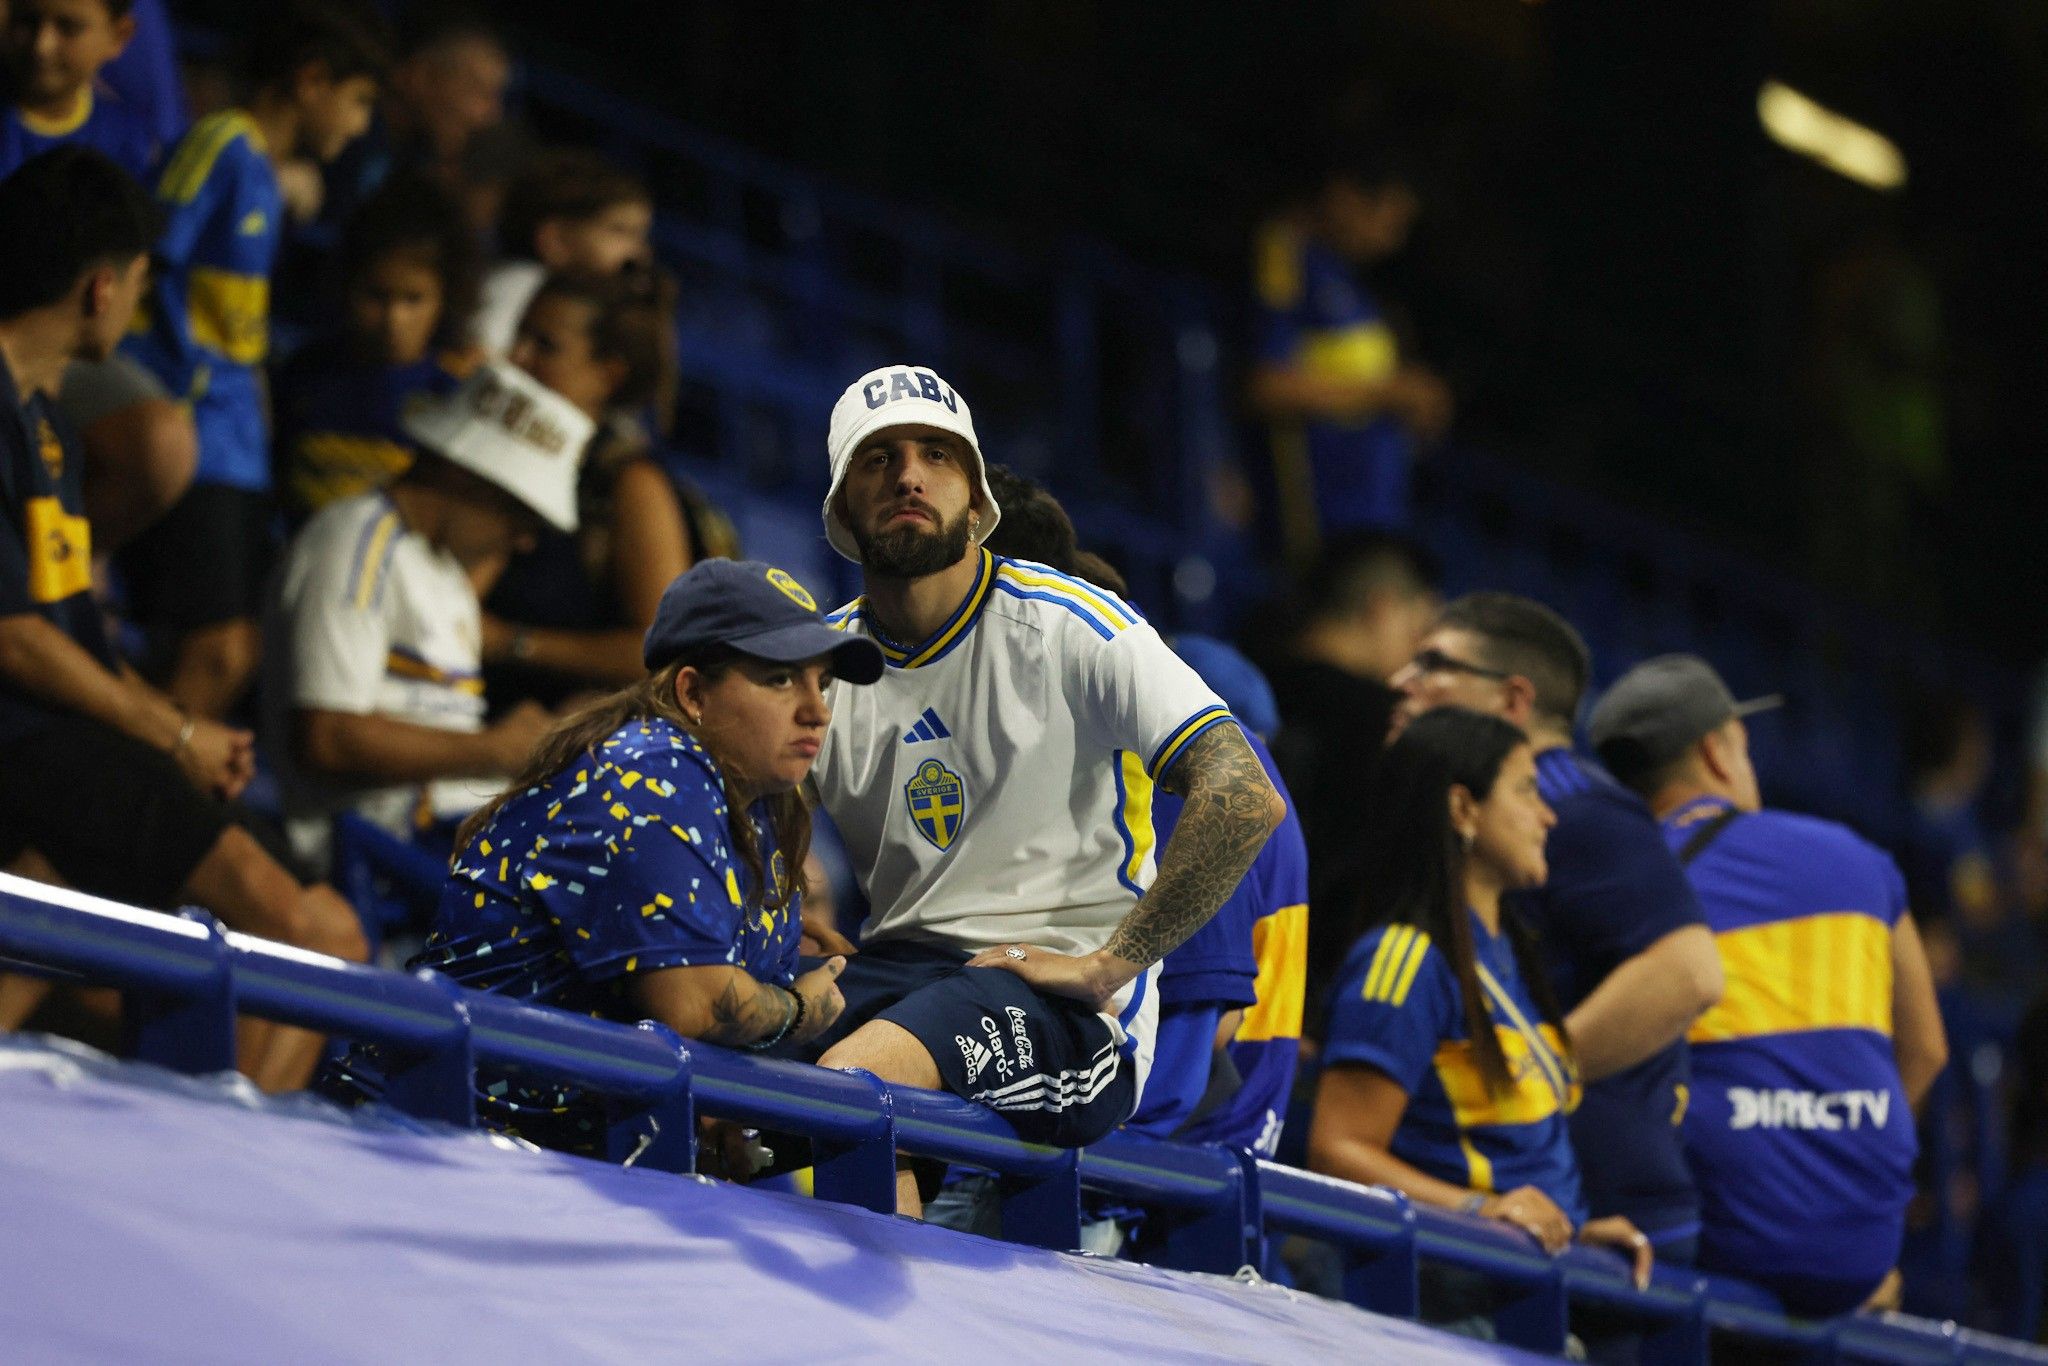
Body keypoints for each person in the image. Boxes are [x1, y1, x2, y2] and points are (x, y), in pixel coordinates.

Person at [802, 363, 1287, 1216]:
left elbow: (1245, 794)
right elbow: (766, 830)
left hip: (1063, 1011)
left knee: (851, 1085)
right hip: (897, 974)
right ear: (842, 506)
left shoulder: (1070, 624)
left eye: (936, 455)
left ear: (978, 497)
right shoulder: (818, 665)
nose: (909, 474)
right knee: (728, 1073)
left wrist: (1111, 964)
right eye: (878, 459)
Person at [0, 146, 366, 1093]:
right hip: (28, 748)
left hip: (61, 752)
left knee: (310, 937)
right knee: (307, 940)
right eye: (142, 282)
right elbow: (11, 636)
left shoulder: (44, 426)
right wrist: (178, 729)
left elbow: (71, 631)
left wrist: (185, 742)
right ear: (100, 287)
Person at [327, 558, 884, 1156]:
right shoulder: (653, 772)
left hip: (550, 1157)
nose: (816, 709)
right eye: (780, 680)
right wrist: (799, 1008)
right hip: (427, 1138)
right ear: (693, 692)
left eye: (820, 683)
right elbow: (693, 1004)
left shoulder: (757, 802)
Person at [1590, 654, 1947, 1315]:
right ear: (1720, 752)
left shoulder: (1621, 877)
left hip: (1704, 1250)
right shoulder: (1862, 860)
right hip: (1860, 1257)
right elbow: (1927, 1051)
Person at [1390, 592, 1723, 1264]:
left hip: (1611, 1222)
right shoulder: (1483, 819)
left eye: (1435, 664)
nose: (1403, 681)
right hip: (1543, 1215)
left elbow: (1690, 973)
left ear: (1514, 702)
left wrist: (1532, 1078)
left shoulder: (1575, 806)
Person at [1309, 707, 1653, 1309]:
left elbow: (1508, 1158)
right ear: (1464, 809)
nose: (1547, 815)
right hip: (1446, 1311)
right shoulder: (1405, 961)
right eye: (1525, 791)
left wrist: (1568, 1227)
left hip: (1522, 1292)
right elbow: (1338, 1149)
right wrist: (1483, 1212)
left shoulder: (1505, 951)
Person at [119, 0, 390, 719]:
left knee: (223, 650)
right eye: (359, 101)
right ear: (310, 80)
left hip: (234, 444)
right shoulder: (221, 143)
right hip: (194, 431)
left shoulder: (265, 176)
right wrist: (164, 391)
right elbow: (144, 259)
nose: (361, 126)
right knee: (218, 650)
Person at [265, 360, 591, 871]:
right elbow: (324, 740)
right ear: (464, 472)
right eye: (520, 512)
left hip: (447, 841)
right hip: (380, 854)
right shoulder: (352, 540)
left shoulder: (446, 574)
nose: (524, 540)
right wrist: (498, 749)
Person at [482, 270, 724, 706]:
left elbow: (664, 650)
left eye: (545, 346)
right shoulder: (484, 451)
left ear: (608, 375)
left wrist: (511, 642)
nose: (516, 359)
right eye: (518, 337)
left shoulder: (630, 485)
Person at [1253, 529, 1439, 1007]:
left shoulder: (1230, 681)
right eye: (1418, 631)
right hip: (1305, 998)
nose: (1417, 657)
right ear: (1380, 608)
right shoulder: (1388, 726)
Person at [1248, 147, 1452, 563]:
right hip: (1315, 522)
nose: (1391, 240)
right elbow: (1268, 386)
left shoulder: (1354, 283)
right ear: (1344, 196)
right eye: (1388, 221)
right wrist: (1390, 393)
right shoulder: (1285, 250)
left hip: (1372, 518)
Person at [273, 174, 480, 520]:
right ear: (347, 286)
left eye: (413, 299)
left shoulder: (452, 396)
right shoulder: (305, 373)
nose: (393, 319)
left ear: (447, 298)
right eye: (377, 296)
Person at [472, 148, 654, 358]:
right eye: (619, 230)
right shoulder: (521, 286)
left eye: (640, 235)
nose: (638, 252)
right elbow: (481, 358)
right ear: (555, 240)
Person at [0, 0, 156, 181]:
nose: (42, 46)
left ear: (119, 36)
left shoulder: (130, 143)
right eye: (27, 20)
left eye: (69, 27)